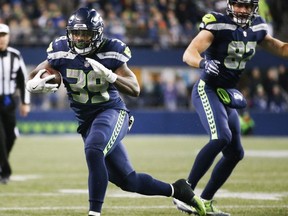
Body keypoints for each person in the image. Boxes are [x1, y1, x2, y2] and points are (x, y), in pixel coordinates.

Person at [26, 8, 206, 216]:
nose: (80, 38)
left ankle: (94, 213)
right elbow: (37, 72)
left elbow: (135, 88)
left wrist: (111, 76)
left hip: (112, 112)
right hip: (87, 122)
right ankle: (178, 190)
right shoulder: (60, 49)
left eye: (86, 34)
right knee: (129, 181)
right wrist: (33, 83)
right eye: (76, 33)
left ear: (97, 34)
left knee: (94, 150)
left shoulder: (111, 50)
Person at [173, 0, 288, 215]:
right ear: (230, 5)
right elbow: (189, 53)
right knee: (221, 137)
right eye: (238, 5)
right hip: (208, 89)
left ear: (254, 8)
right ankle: (185, 191)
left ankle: (205, 200)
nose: (242, 10)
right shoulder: (218, 23)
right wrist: (203, 63)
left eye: (246, 6)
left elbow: (281, 48)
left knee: (235, 152)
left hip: (227, 94)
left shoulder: (257, 28)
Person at [0, 23, 31, 184]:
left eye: (3, 35)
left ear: (9, 37)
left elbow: (22, 80)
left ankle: (1, 165)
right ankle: (5, 171)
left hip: (8, 101)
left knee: (11, 136)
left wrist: (25, 102)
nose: (1, 39)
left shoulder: (15, 55)